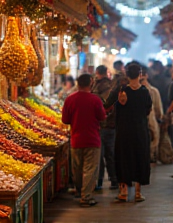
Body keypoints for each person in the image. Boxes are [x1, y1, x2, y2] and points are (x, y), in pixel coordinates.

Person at [62, 74, 106, 207]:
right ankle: (86, 197)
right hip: (92, 140)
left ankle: (79, 191)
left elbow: (65, 120)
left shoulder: (70, 99)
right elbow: (102, 116)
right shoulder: (95, 100)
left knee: (77, 169)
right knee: (90, 169)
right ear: (91, 83)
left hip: (76, 140)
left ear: (78, 83)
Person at [115, 63, 152, 202]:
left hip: (124, 130)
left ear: (127, 75)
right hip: (140, 129)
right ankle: (138, 192)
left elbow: (116, 110)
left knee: (124, 157)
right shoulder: (144, 91)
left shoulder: (122, 91)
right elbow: (148, 109)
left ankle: (123, 191)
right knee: (140, 157)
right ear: (140, 74)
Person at [91, 65, 118, 190]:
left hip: (102, 125)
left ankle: (101, 181)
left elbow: (104, 105)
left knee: (101, 155)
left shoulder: (99, 86)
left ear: (97, 72)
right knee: (109, 155)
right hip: (109, 125)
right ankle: (113, 180)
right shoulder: (111, 86)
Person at [140, 66, 163, 163]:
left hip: (140, 120)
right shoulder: (153, 91)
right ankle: (150, 156)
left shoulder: (130, 91)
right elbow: (158, 108)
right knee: (153, 139)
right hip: (151, 119)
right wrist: (159, 118)